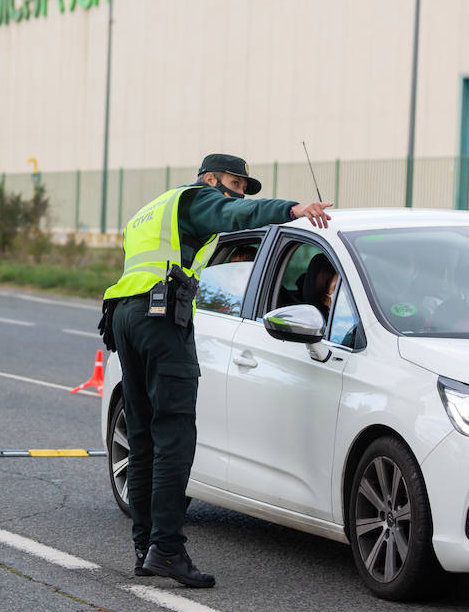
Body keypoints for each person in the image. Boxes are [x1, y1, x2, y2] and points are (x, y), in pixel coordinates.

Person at [102, 153, 332, 587]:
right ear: (210, 179)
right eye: (236, 182)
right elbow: (235, 212)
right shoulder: (198, 199)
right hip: (160, 319)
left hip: (125, 316)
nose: (240, 192)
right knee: (175, 434)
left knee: (144, 435)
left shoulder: (153, 210)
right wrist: (292, 210)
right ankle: (167, 549)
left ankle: (145, 547)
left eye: (244, 186)